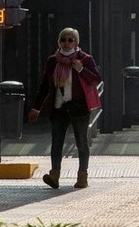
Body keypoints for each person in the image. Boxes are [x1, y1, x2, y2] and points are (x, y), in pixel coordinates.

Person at [27, 27, 102, 189]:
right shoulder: (52, 61)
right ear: (59, 42)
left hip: (79, 108)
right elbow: (45, 86)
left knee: (81, 142)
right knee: (56, 142)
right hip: (58, 108)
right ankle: (54, 175)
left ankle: (82, 176)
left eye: (70, 40)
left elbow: (96, 79)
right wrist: (37, 108)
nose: (67, 43)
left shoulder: (85, 59)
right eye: (63, 40)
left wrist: (81, 69)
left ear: (76, 42)